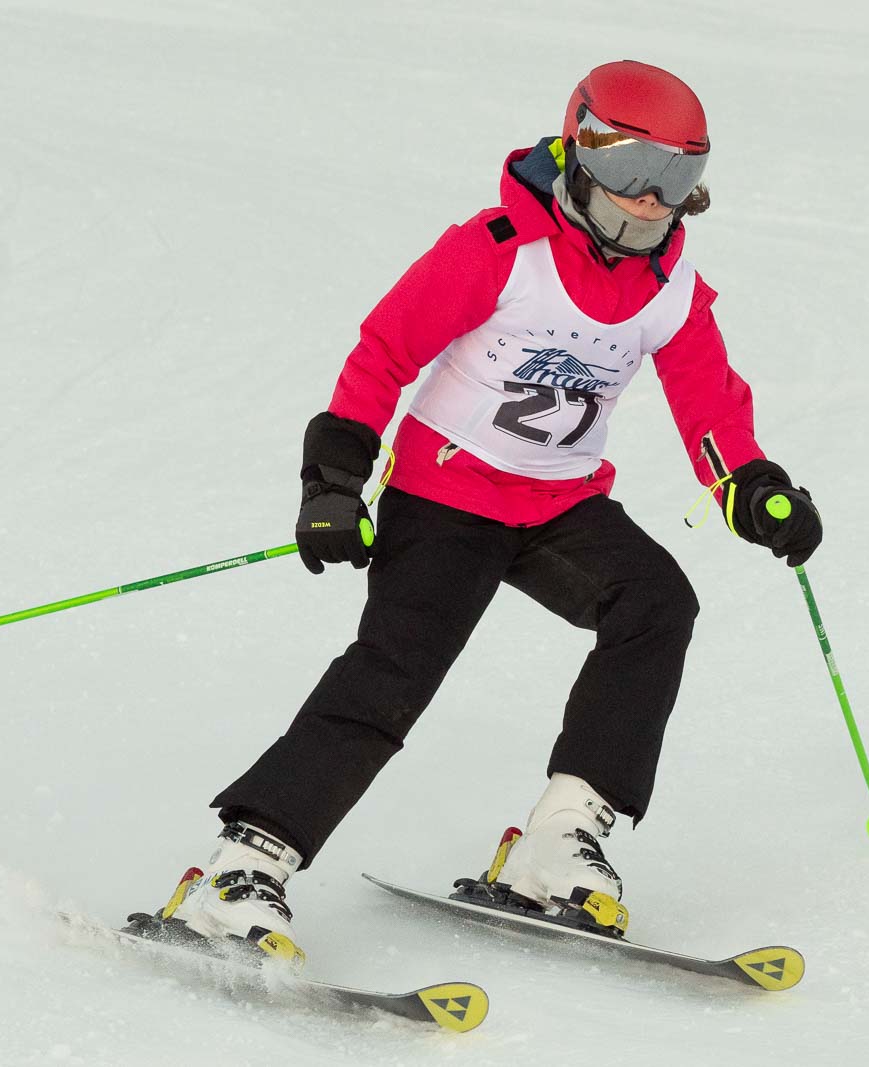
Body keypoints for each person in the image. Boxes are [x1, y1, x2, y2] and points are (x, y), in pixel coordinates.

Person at [140, 60, 823, 964]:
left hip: (561, 503)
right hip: (446, 496)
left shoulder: (669, 284)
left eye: (678, 176)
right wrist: (335, 481)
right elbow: (384, 351)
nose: (652, 199)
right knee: (398, 666)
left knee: (656, 603)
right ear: (581, 150)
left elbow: (709, 404)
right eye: (633, 169)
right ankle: (243, 866)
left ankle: (561, 835)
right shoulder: (500, 249)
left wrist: (753, 485)